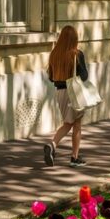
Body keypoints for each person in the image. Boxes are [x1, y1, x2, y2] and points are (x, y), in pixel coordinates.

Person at [44, 25, 89, 167]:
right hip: (73, 92)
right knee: (76, 124)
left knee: (67, 123)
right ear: (74, 39)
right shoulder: (77, 54)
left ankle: (52, 145)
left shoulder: (54, 54)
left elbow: (51, 78)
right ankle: (74, 158)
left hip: (60, 93)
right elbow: (84, 76)